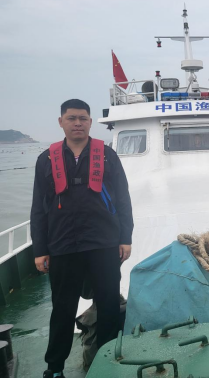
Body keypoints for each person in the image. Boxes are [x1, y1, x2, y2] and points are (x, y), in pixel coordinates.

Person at [31, 99, 134, 378]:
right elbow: (39, 208)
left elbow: (123, 199)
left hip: (104, 243)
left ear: (90, 122)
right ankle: (55, 368)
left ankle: (108, 361)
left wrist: (125, 237)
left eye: (83, 118)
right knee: (62, 309)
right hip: (63, 245)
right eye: (72, 118)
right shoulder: (46, 159)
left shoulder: (108, 155)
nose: (78, 123)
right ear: (61, 122)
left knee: (108, 305)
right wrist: (40, 249)